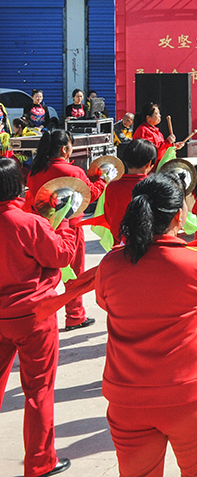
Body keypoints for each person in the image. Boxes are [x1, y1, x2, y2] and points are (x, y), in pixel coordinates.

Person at [94, 172, 197, 477]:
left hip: (127, 399)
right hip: (190, 398)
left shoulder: (111, 264)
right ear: (179, 217)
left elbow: (105, 303)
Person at [0, 157, 82, 477]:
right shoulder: (29, 223)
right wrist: (64, 223)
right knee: (38, 392)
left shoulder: (26, 221)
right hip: (34, 316)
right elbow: (61, 255)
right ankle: (39, 461)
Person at [26, 129, 109, 331]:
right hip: (70, 229)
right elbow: (91, 194)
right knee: (74, 274)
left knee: (44, 275)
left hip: (41, 228)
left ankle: (36, 312)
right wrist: (104, 179)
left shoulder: (35, 171)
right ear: (65, 149)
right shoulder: (73, 172)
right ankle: (75, 315)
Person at [100, 139, 157, 246]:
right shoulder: (155, 186)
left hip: (120, 243)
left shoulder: (112, 186)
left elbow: (109, 216)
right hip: (149, 245)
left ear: (125, 161)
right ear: (149, 163)